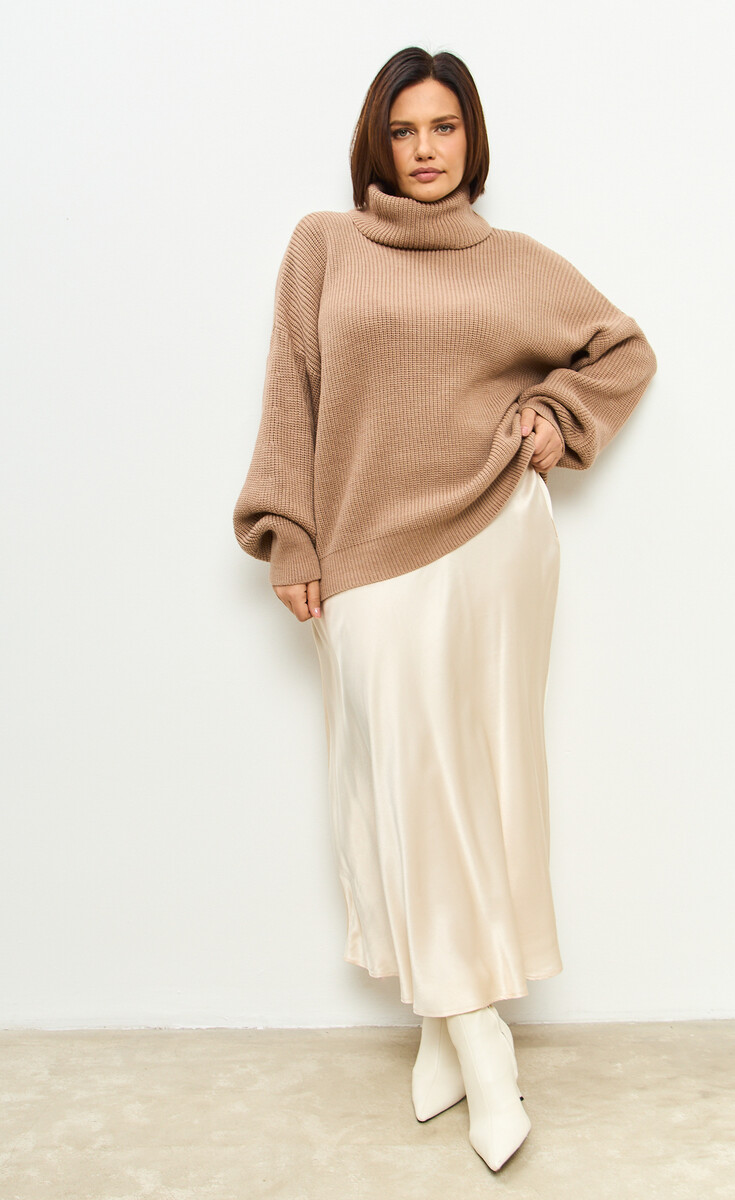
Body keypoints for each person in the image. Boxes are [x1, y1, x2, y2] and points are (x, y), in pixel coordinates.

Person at [233, 45, 657, 1172]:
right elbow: (291, 393)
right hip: (367, 551)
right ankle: (478, 1036)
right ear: (377, 142)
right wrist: (290, 530)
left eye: (445, 128)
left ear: (473, 139)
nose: (425, 150)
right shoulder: (324, 247)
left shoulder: (514, 263)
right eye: (405, 130)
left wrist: (556, 412)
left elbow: (623, 348)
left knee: (471, 778)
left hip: (492, 541)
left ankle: (450, 1026)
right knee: (400, 781)